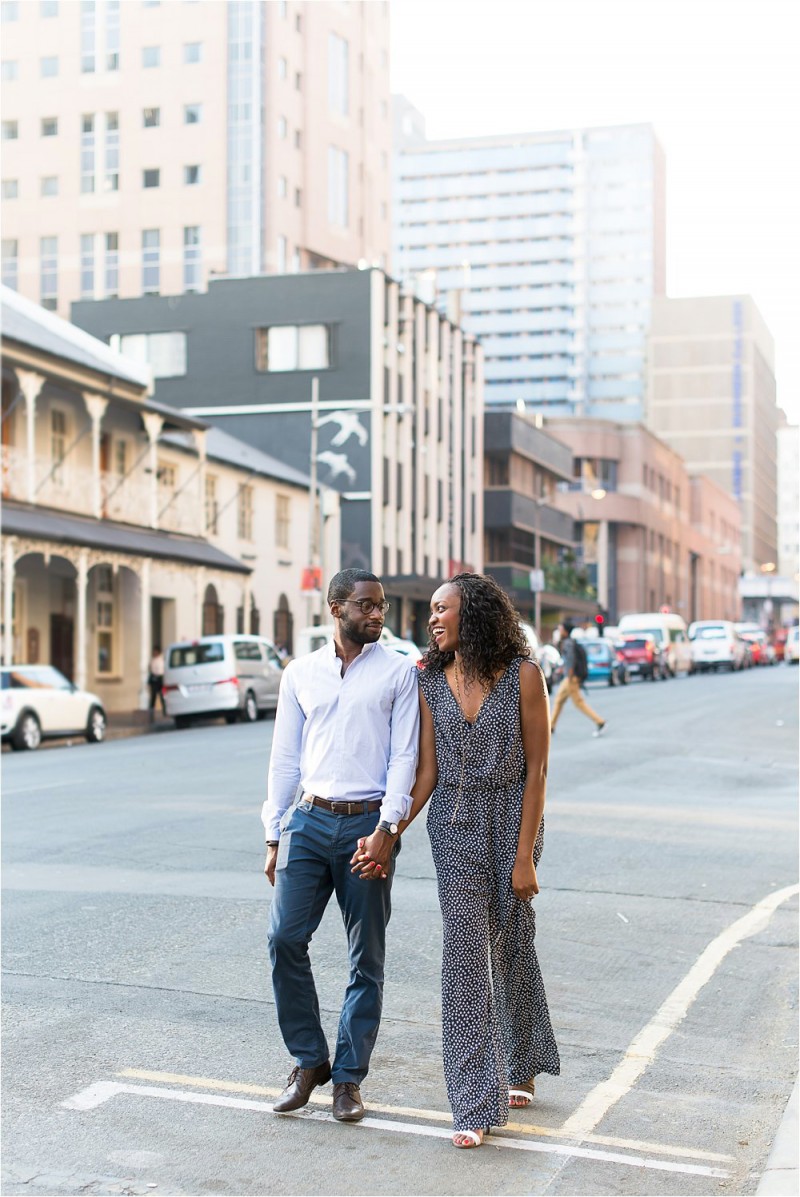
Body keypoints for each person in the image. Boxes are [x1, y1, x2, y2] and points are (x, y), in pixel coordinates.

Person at [354, 572, 560, 1148]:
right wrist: (387, 834)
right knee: (467, 955)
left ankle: (521, 1059)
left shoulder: (525, 677)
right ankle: (473, 1101)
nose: (433, 618)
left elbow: (538, 771)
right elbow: (425, 774)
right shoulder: (428, 681)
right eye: (432, 611)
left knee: (513, 941)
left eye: (443, 609)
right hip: (455, 828)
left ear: (475, 614)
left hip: (513, 819)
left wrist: (525, 857)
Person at [263, 568, 420, 1124]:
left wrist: (387, 829)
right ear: (336, 608)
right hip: (307, 820)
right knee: (284, 939)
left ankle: (349, 1080)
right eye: (366, 605)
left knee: (365, 958)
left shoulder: (401, 673)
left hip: (367, 825)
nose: (377, 614)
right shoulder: (300, 673)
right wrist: (273, 832)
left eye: (380, 606)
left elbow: (406, 756)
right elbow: (284, 758)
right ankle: (309, 1062)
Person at [550, 620, 606, 737]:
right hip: (569, 678)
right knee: (559, 700)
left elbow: (571, 660)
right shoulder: (569, 642)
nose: (559, 631)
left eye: (560, 629)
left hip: (571, 678)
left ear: (565, 631)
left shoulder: (568, 643)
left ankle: (599, 721)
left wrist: (569, 674)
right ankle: (551, 726)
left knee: (579, 703)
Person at [147, 646, 165, 719]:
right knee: (153, 697)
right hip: (154, 678)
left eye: (156, 651)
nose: (154, 653)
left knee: (162, 696)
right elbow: (150, 669)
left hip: (160, 678)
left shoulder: (161, 660)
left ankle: (165, 710)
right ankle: (151, 713)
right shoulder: (152, 660)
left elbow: (161, 670)